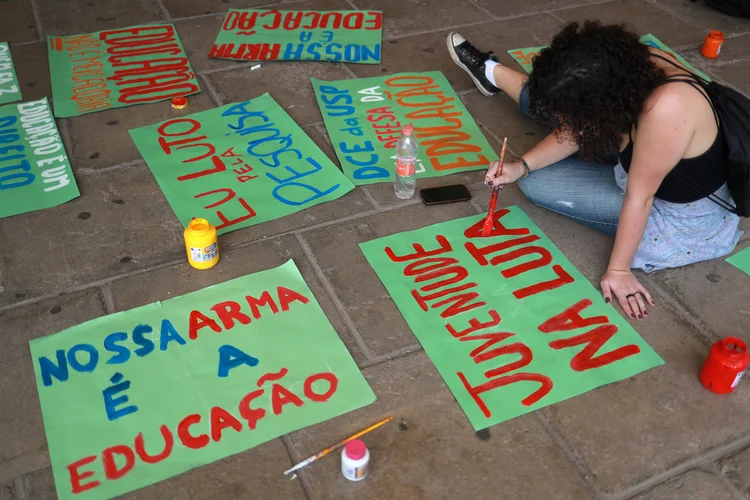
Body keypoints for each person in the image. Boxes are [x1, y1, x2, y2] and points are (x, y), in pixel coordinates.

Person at [446, 22, 742, 321]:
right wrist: (518, 166)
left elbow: (640, 198)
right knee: (549, 101)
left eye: (573, 117)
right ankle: (490, 71)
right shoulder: (629, 63)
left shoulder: (665, 109)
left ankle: (497, 76)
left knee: (539, 183)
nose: (565, 123)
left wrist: (618, 270)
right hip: (648, 152)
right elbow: (579, 126)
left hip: (676, 213)